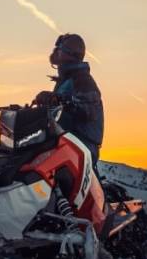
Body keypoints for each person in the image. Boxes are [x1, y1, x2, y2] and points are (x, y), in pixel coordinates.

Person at [31, 33, 104, 171]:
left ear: (69, 53)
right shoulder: (66, 80)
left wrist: (57, 100)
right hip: (66, 142)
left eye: (59, 49)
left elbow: (88, 111)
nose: (55, 52)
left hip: (80, 145)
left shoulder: (82, 79)